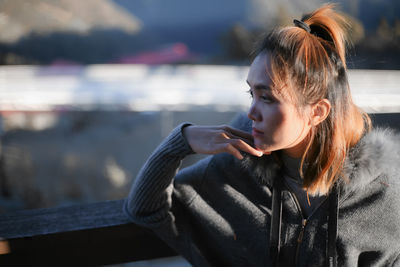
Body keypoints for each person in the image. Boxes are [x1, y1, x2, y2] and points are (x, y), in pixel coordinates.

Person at [124, 4, 400, 267]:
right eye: (252, 93)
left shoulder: (380, 192)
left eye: (267, 98)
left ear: (317, 111)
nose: (252, 111)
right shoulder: (235, 171)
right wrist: (180, 143)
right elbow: (145, 209)